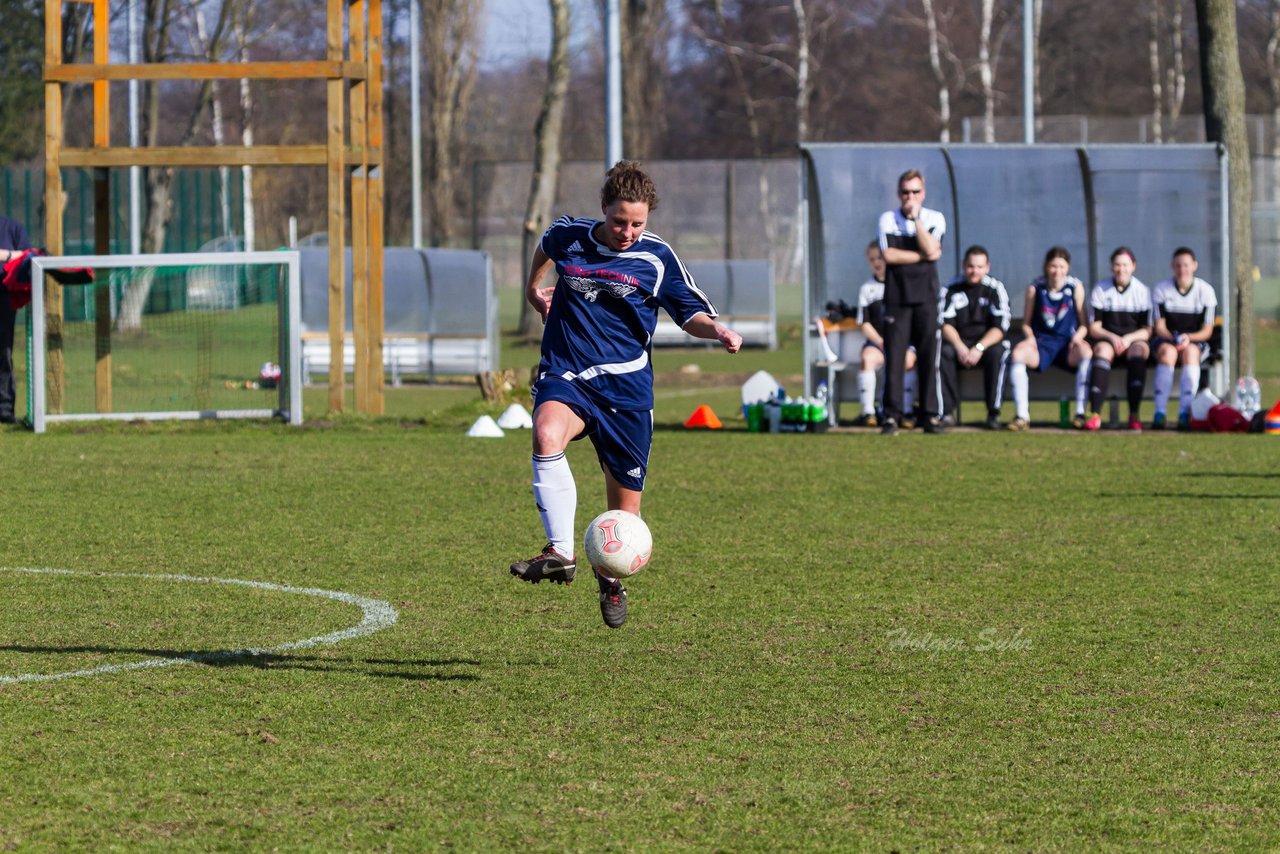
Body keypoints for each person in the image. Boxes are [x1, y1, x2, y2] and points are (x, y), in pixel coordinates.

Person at [509, 161, 743, 629]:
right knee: (545, 433)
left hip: (627, 392)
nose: (628, 232)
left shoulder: (656, 258)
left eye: (638, 223)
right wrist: (534, 289)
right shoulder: (568, 235)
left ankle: (611, 578)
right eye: (619, 221)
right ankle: (560, 552)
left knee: (624, 516)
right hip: (568, 371)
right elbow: (543, 247)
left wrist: (715, 329)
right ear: (603, 210)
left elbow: (688, 312)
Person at [877, 169, 945, 435]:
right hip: (897, 299)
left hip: (926, 298)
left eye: (915, 192)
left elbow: (932, 249)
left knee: (929, 358)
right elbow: (889, 256)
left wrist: (917, 221)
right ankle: (891, 416)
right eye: (905, 192)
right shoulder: (887, 219)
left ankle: (928, 415)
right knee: (894, 359)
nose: (910, 197)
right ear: (898, 193)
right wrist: (923, 256)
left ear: (923, 193)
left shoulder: (934, 218)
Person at [1005, 246, 1094, 431]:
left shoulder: (1075, 287)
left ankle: (1080, 413)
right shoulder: (1035, 288)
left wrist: (1078, 338)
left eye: (1062, 266)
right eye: (1053, 266)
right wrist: (1029, 338)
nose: (1057, 271)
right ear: (1046, 267)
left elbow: (1084, 324)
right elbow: (1026, 323)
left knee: (1086, 352)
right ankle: (1022, 416)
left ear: (1068, 268)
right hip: (1042, 344)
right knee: (1018, 354)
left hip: (1067, 345)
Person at [938, 245, 1011, 430]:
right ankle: (946, 413)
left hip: (985, 345)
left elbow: (1000, 328)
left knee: (999, 352)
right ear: (964, 265)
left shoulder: (995, 289)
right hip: (959, 344)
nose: (974, 271)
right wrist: (961, 347)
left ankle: (993, 413)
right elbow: (944, 323)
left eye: (979, 267)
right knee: (941, 352)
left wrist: (978, 348)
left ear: (987, 267)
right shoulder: (950, 288)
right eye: (971, 266)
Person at [1150, 246, 1217, 430]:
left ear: (1194, 266)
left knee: (1191, 353)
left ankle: (1185, 413)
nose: (1182, 269)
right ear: (1173, 266)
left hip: (1194, 341)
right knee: (1167, 353)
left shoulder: (1206, 291)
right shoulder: (1162, 290)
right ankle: (1159, 412)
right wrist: (1175, 338)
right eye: (1178, 265)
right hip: (1169, 340)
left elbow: (1207, 331)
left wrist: (1189, 338)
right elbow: (1160, 327)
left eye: (1186, 265)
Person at [1087, 246, 1152, 431]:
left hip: (1133, 341)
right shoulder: (1101, 289)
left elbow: (1147, 330)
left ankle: (1134, 414)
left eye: (1125, 265)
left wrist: (1128, 339)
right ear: (1111, 267)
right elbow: (1094, 328)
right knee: (1102, 350)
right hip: (1108, 339)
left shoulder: (1142, 291)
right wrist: (1114, 338)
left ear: (1133, 266)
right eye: (1117, 265)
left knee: (1138, 350)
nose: (1121, 269)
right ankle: (1095, 414)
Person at [852, 240, 917, 426]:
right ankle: (868, 412)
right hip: (878, 342)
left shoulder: (902, 285)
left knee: (908, 360)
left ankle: (905, 411)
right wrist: (881, 340)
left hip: (902, 341)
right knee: (867, 358)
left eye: (880, 258)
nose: (877, 262)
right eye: (872, 259)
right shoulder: (867, 289)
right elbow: (863, 323)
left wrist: (897, 341)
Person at [0, 215, 34, 425]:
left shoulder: (11, 227)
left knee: (3, 352)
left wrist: (8, 255)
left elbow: (28, 256)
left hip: (3, 295)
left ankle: (4, 409)